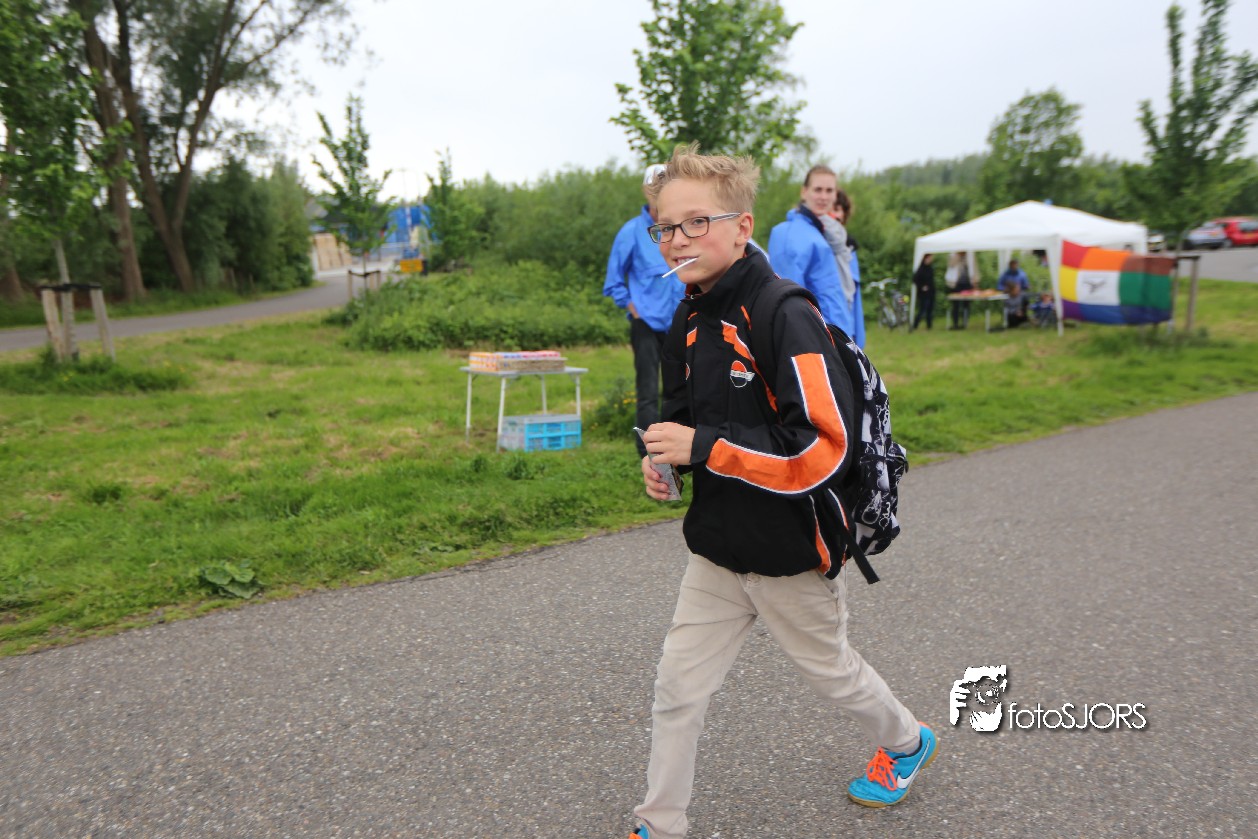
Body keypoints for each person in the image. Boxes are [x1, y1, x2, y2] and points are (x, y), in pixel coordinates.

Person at [629, 144, 937, 839]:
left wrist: (706, 448)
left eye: (696, 222)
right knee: (677, 690)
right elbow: (683, 422)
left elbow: (824, 449)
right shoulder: (687, 318)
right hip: (717, 548)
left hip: (791, 550)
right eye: (665, 227)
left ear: (742, 227)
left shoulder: (783, 312)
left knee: (834, 674)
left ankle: (908, 740)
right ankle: (660, 822)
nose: (677, 239)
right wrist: (668, 463)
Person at [605, 164, 685, 457]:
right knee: (648, 391)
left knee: (679, 389)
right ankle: (649, 453)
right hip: (646, 324)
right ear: (646, 190)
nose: (659, 193)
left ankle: (677, 450)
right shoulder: (631, 232)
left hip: (680, 323)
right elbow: (614, 281)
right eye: (655, 188)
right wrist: (635, 311)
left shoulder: (681, 230)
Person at [766, 166, 853, 335]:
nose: (823, 197)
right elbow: (788, 301)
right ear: (804, 192)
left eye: (829, 190)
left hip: (836, 333)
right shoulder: (790, 234)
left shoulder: (825, 233)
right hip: (816, 335)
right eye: (818, 189)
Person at [833, 188, 866, 347]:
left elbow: (854, 295)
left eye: (837, 209)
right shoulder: (816, 245)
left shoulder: (850, 249)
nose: (834, 215)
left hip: (847, 325)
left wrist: (858, 338)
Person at [997, 258, 1030, 328]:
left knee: (1025, 299)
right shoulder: (1005, 274)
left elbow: (1026, 285)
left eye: (1015, 265)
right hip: (1008, 293)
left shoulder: (1022, 274)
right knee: (1010, 311)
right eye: (1013, 265)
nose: (1014, 266)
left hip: (1020, 293)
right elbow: (999, 285)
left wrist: (1023, 288)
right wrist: (1005, 290)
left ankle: (1022, 315)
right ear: (1010, 266)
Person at [947, 251, 975, 329]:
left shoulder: (970, 255)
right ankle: (955, 323)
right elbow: (951, 265)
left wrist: (975, 282)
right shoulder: (953, 255)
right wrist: (958, 256)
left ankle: (965, 322)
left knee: (966, 304)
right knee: (956, 304)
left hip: (967, 284)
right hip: (956, 284)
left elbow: (973, 268)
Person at [911, 252, 936, 330]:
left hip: (931, 292)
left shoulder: (930, 268)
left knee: (930, 310)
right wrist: (922, 287)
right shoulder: (921, 269)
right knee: (922, 309)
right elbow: (915, 279)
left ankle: (929, 325)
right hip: (923, 294)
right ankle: (915, 324)